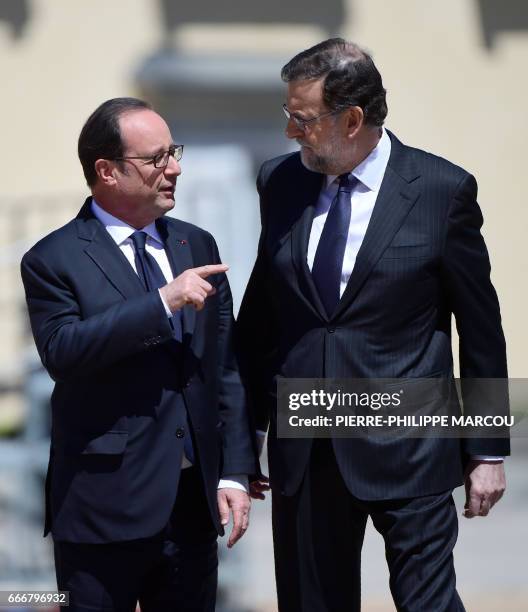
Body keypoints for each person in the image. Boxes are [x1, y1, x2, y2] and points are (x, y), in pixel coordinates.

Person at [237, 39, 509, 611]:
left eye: (302, 119)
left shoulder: (441, 191)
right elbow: (261, 319)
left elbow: (480, 327)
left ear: (353, 119)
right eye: (288, 116)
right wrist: (245, 438)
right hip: (306, 448)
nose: (290, 132)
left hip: (410, 446)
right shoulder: (279, 184)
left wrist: (487, 450)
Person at [21, 97, 258, 612]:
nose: (173, 168)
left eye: (173, 152)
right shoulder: (52, 258)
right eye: (155, 159)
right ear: (106, 171)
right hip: (102, 511)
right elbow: (63, 351)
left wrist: (235, 472)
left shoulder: (197, 244)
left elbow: (225, 370)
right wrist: (161, 302)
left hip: (191, 511)